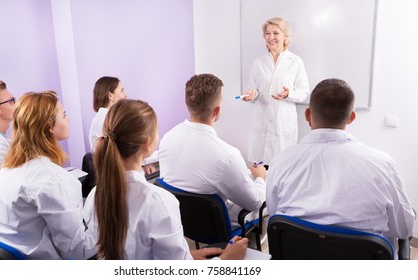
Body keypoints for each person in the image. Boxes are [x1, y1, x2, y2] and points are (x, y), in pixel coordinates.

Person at [266, 78, 416, 259]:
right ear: (351, 117)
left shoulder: (280, 162)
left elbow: (276, 216)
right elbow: (404, 228)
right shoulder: (383, 165)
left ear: (307, 114)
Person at [83, 99, 248, 260]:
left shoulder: (95, 196)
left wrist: (187, 257)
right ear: (148, 143)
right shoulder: (158, 203)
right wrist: (225, 260)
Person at [0, 91, 96, 260]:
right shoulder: (53, 180)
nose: (69, 120)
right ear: (49, 125)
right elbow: (78, 251)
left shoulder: (6, 170)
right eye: (64, 115)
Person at [158, 74, 267, 230]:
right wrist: (260, 178)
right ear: (217, 111)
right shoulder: (227, 155)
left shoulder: (168, 138)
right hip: (218, 225)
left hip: (183, 221)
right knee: (263, 192)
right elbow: (254, 202)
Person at [241, 17, 310, 165]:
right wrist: (251, 94)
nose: (271, 37)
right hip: (261, 121)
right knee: (260, 168)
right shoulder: (258, 63)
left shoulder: (295, 62)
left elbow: (304, 91)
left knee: (282, 165)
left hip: (283, 122)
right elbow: (252, 89)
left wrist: (289, 94)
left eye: (276, 33)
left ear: (285, 36)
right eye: (267, 33)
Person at [89, 76, 127, 152]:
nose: (125, 95)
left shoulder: (105, 116)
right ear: (110, 96)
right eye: (122, 90)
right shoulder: (105, 118)